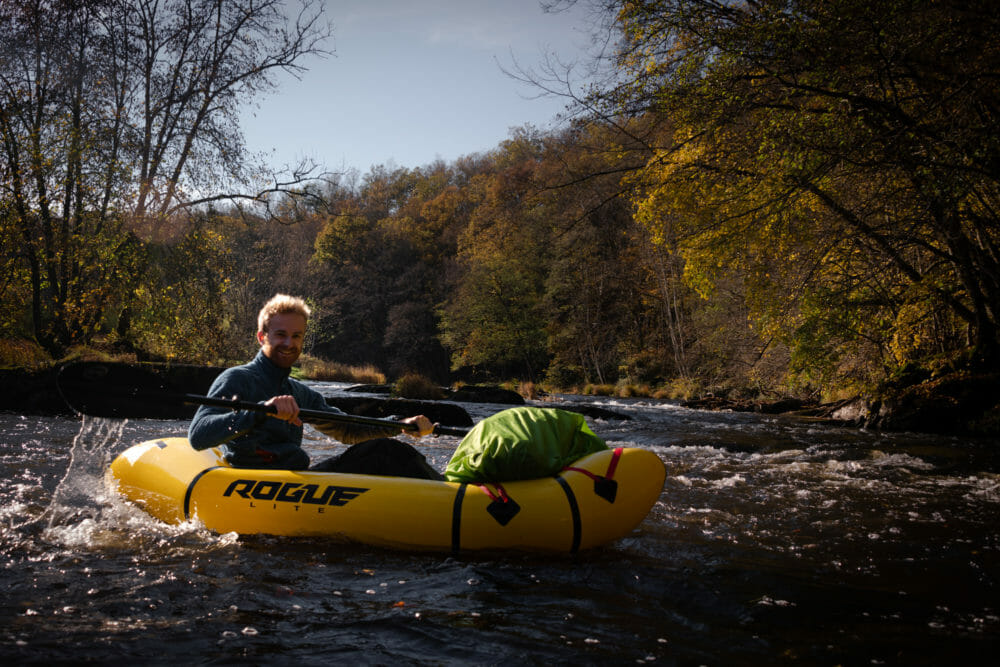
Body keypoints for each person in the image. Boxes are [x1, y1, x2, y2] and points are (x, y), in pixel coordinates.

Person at [188, 294, 441, 479]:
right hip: (254, 480)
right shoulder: (236, 379)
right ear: (262, 336)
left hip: (294, 477)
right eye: (280, 334)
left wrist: (399, 424)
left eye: (296, 336)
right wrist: (259, 412)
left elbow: (347, 430)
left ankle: (450, 492)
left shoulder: (300, 393)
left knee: (384, 452)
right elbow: (198, 436)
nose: (289, 343)